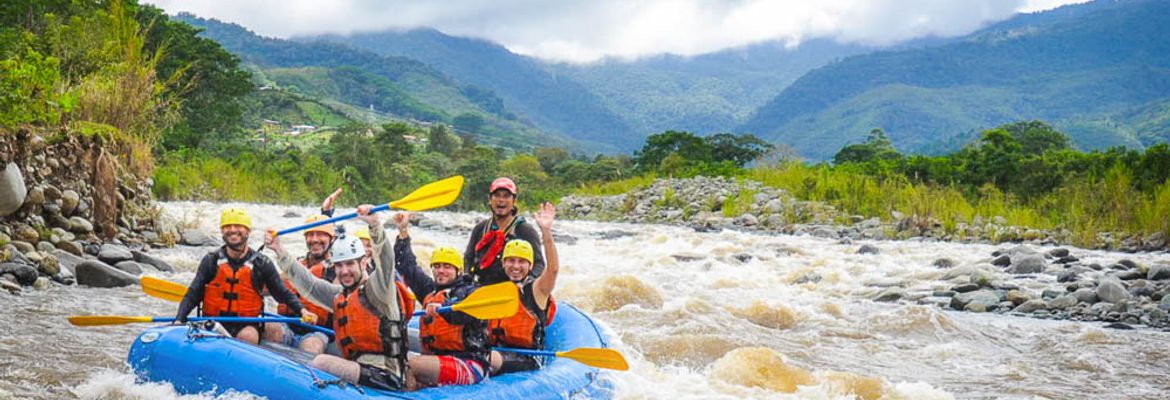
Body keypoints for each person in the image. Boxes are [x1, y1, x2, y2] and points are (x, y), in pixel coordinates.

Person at [269, 204, 414, 391]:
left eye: (350, 264)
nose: (344, 271)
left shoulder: (380, 288)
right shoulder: (341, 295)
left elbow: (386, 259)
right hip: (361, 369)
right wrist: (279, 251)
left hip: (386, 374)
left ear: (363, 262)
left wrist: (375, 226)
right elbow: (309, 284)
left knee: (321, 363)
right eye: (339, 266)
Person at [175, 208, 316, 345]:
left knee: (248, 336)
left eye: (238, 226)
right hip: (212, 322)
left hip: (245, 325)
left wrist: (302, 310)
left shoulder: (262, 264)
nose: (232, 230)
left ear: (248, 231)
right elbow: (194, 293)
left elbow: (282, 293)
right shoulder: (211, 260)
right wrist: (179, 319)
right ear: (222, 231)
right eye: (227, 226)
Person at [394, 212, 492, 388]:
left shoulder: (470, 292)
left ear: (458, 271)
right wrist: (403, 231)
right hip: (437, 360)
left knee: (410, 365)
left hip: (469, 364)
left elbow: (462, 312)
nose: (441, 271)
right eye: (437, 266)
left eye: (447, 267)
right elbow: (407, 266)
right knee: (396, 360)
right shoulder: (430, 290)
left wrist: (444, 306)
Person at [487, 202, 560, 375]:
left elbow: (553, 269)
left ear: (530, 265)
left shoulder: (536, 290)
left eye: (521, 262)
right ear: (504, 263)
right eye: (511, 261)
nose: (516, 266)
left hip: (527, 357)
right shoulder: (497, 290)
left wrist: (546, 232)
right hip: (497, 351)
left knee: (486, 357)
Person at [272, 214, 336, 354]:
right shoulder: (298, 264)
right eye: (310, 235)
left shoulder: (339, 269)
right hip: (287, 325)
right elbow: (269, 286)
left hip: (319, 332)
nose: (314, 239)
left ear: (332, 239)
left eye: (320, 235)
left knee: (311, 346)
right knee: (269, 328)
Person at [464, 177, 545, 285]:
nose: (501, 200)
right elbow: (468, 258)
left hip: (514, 288)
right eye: (497, 195)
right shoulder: (481, 228)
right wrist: (467, 276)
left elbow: (539, 263)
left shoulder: (525, 230)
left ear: (514, 201)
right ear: (490, 199)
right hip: (483, 287)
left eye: (506, 196)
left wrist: (528, 282)